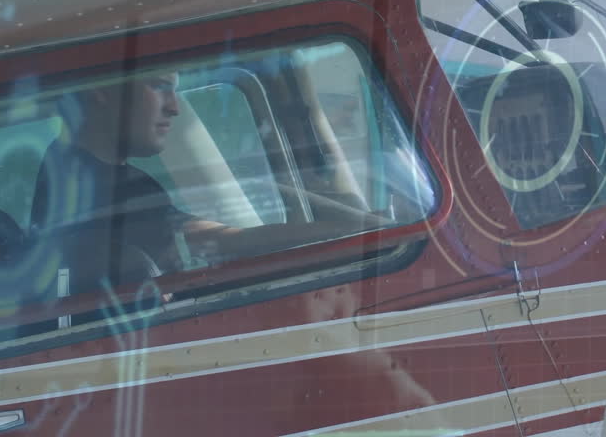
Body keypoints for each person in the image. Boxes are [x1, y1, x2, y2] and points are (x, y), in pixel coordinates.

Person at [30, 70, 387, 297]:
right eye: (158, 86)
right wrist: (363, 232)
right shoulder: (93, 183)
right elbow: (221, 244)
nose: (174, 107)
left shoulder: (86, 171)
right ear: (101, 89)